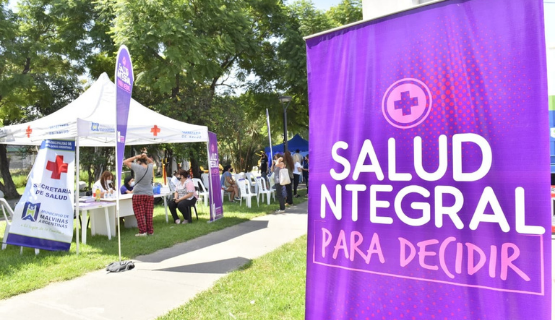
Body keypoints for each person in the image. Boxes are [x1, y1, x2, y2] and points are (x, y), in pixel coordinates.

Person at [123, 153, 154, 236]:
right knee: (149, 213)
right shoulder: (150, 167)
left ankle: (142, 231)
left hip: (138, 194)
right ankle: (150, 231)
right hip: (149, 193)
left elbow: (125, 161)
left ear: (139, 162)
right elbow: (152, 162)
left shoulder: (137, 167)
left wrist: (136, 157)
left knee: (139, 213)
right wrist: (146, 157)